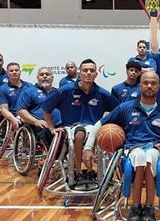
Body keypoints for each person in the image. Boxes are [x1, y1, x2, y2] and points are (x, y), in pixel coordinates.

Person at [84, 71, 160, 221]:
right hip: (131, 150)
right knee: (140, 155)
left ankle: (149, 207)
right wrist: (88, 147)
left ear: (159, 87)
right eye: (146, 82)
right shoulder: (125, 108)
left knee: (149, 155)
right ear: (139, 85)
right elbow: (100, 124)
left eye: (153, 83)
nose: (149, 86)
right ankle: (135, 207)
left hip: (157, 151)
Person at [42, 58, 119, 190]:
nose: (88, 73)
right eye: (85, 70)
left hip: (94, 128)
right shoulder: (65, 90)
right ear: (80, 73)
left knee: (94, 134)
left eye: (92, 71)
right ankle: (78, 173)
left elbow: (119, 111)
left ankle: (91, 172)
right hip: (71, 127)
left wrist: (108, 118)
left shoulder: (102, 93)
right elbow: (46, 109)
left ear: (96, 73)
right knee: (79, 134)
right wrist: (51, 128)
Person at [129, 16, 160, 106]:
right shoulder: (132, 59)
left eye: (144, 47)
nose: (142, 49)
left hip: (146, 87)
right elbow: (130, 72)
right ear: (137, 48)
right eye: (140, 47)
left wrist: (137, 70)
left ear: (146, 49)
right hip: (133, 86)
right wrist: (145, 70)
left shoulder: (152, 60)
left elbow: (152, 71)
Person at [17, 67, 61, 147]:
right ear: (37, 78)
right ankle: (53, 155)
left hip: (59, 124)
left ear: (52, 77)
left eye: (47, 74)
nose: (44, 76)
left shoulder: (57, 92)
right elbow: (21, 110)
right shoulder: (29, 91)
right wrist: (36, 121)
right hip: (40, 126)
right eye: (41, 75)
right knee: (45, 131)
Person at [0, 62, 33, 132]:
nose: (14, 72)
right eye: (11, 71)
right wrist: (13, 119)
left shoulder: (30, 86)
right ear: (7, 73)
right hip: (13, 116)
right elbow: (4, 109)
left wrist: (26, 116)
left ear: (20, 72)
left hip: (28, 115)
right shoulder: (2, 89)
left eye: (16, 70)